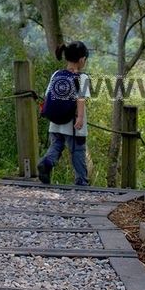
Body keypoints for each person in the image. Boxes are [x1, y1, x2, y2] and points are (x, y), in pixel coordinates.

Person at [37, 41, 91, 186]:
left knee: (56, 145)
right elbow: (81, 99)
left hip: (55, 121)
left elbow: (48, 95)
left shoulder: (56, 74)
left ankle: (46, 163)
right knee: (78, 151)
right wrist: (80, 118)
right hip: (73, 124)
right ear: (82, 60)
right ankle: (81, 182)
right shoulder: (83, 77)